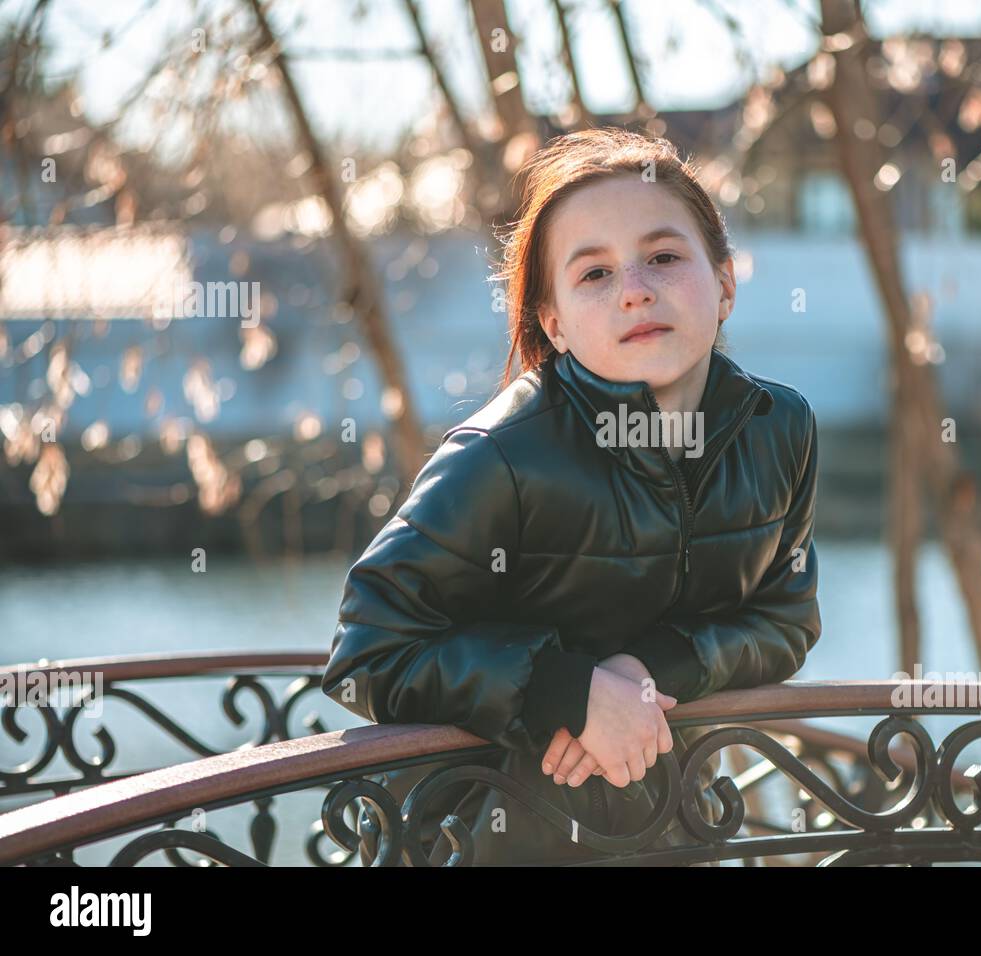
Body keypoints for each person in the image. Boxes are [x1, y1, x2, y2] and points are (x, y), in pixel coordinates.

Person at [322, 125, 821, 866]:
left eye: (663, 257)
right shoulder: (501, 455)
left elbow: (785, 619)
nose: (636, 290)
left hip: (680, 831)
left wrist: (648, 672)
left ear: (724, 281)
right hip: (486, 844)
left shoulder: (778, 429)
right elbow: (367, 651)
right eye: (594, 274)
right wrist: (566, 689)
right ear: (552, 322)